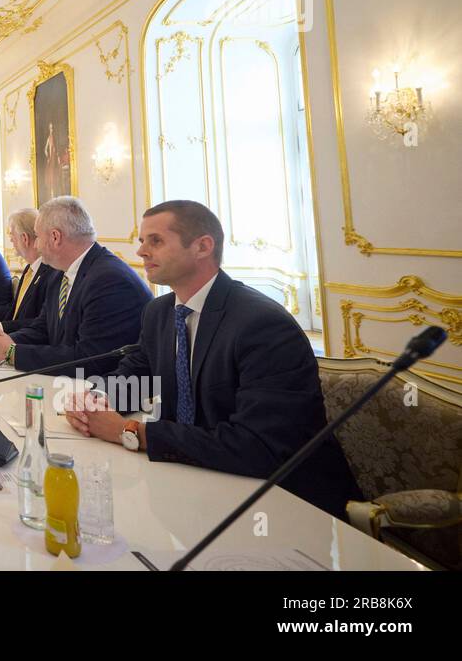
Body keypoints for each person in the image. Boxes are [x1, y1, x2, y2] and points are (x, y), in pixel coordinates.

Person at [64, 201, 360, 518]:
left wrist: (132, 432)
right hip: (192, 483)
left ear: (203, 246)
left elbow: (255, 446)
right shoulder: (159, 312)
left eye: (156, 241)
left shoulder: (261, 324)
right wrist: (94, 401)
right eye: (141, 241)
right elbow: (136, 374)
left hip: (282, 501)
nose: (141, 252)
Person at [0, 197, 151, 375]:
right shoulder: (60, 272)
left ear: (55, 237)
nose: (36, 245)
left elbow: (90, 359)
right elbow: (43, 328)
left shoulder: (109, 280)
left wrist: (13, 352)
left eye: (38, 237)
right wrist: (2, 340)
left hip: (104, 394)